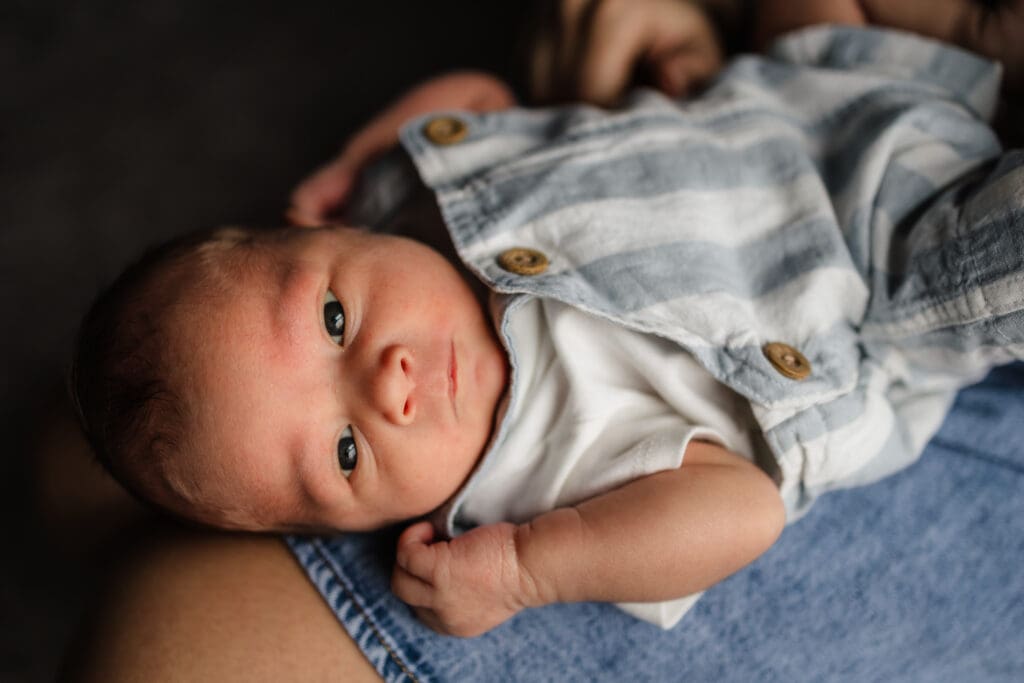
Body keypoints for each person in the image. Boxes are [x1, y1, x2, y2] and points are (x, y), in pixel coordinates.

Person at [65, 0, 1024, 677]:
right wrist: (530, 569)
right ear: (356, 529)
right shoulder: (538, 471)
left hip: (797, 89)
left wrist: (367, 152)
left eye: (332, 319)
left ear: (336, 233)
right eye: (347, 449)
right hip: (893, 275)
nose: (387, 381)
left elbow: (476, 94)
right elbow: (744, 514)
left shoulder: (411, 211)